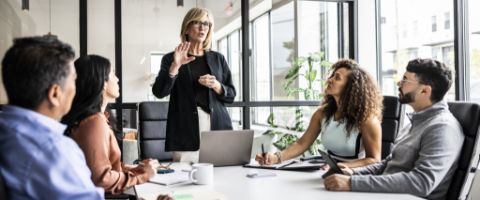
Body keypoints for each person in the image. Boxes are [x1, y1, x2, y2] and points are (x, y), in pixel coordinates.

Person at [324, 58, 464, 200]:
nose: (399, 83)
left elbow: (421, 183)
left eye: (405, 80)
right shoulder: (416, 122)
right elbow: (387, 165)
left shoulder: (442, 128)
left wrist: (353, 183)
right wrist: (353, 173)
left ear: (424, 90)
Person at [0, 36, 104, 199]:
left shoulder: (6, 129)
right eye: (74, 80)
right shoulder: (54, 150)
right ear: (55, 94)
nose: (75, 88)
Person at [256, 59, 383, 168]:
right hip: (327, 169)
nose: (330, 79)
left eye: (337, 78)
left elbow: (374, 159)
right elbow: (302, 143)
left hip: (354, 174)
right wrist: (276, 157)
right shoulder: (322, 113)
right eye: (332, 75)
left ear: (351, 87)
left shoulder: (367, 120)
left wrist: (344, 166)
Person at [61, 55, 159, 194]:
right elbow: (101, 179)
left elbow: (106, 167)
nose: (117, 79)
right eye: (113, 73)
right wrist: (143, 175)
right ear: (103, 83)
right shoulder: (93, 123)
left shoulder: (99, 118)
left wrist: (135, 170)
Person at [152, 7, 236, 163]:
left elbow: (231, 95)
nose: (203, 27)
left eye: (206, 24)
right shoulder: (171, 58)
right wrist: (175, 66)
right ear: (187, 27)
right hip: (185, 128)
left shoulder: (218, 59)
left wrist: (217, 85)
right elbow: (159, 92)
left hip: (217, 125)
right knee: (184, 179)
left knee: (222, 175)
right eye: (197, 23)